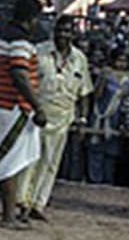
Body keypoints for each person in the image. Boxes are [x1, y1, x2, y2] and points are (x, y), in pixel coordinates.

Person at [0, 0, 47, 228]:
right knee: (10, 163)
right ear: (32, 18)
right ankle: (8, 216)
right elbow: (19, 75)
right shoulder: (21, 43)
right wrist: (37, 106)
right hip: (12, 106)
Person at [17, 16, 90, 221]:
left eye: (67, 31)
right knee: (29, 158)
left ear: (74, 34)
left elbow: (84, 93)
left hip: (63, 118)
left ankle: (38, 204)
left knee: (51, 162)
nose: (62, 35)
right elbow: (25, 83)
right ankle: (21, 201)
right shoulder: (38, 52)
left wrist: (82, 120)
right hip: (36, 113)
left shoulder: (80, 59)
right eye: (60, 30)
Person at [86, 53, 129, 186]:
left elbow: (125, 102)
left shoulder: (128, 81)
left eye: (124, 61)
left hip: (115, 119)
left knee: (111, 154)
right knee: (95, 151)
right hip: (99, 116)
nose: (121, 64)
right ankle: (93, 182)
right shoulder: (106, 75)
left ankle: (107, 184)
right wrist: (103, 79)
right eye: (119, 60)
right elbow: (97, 96)